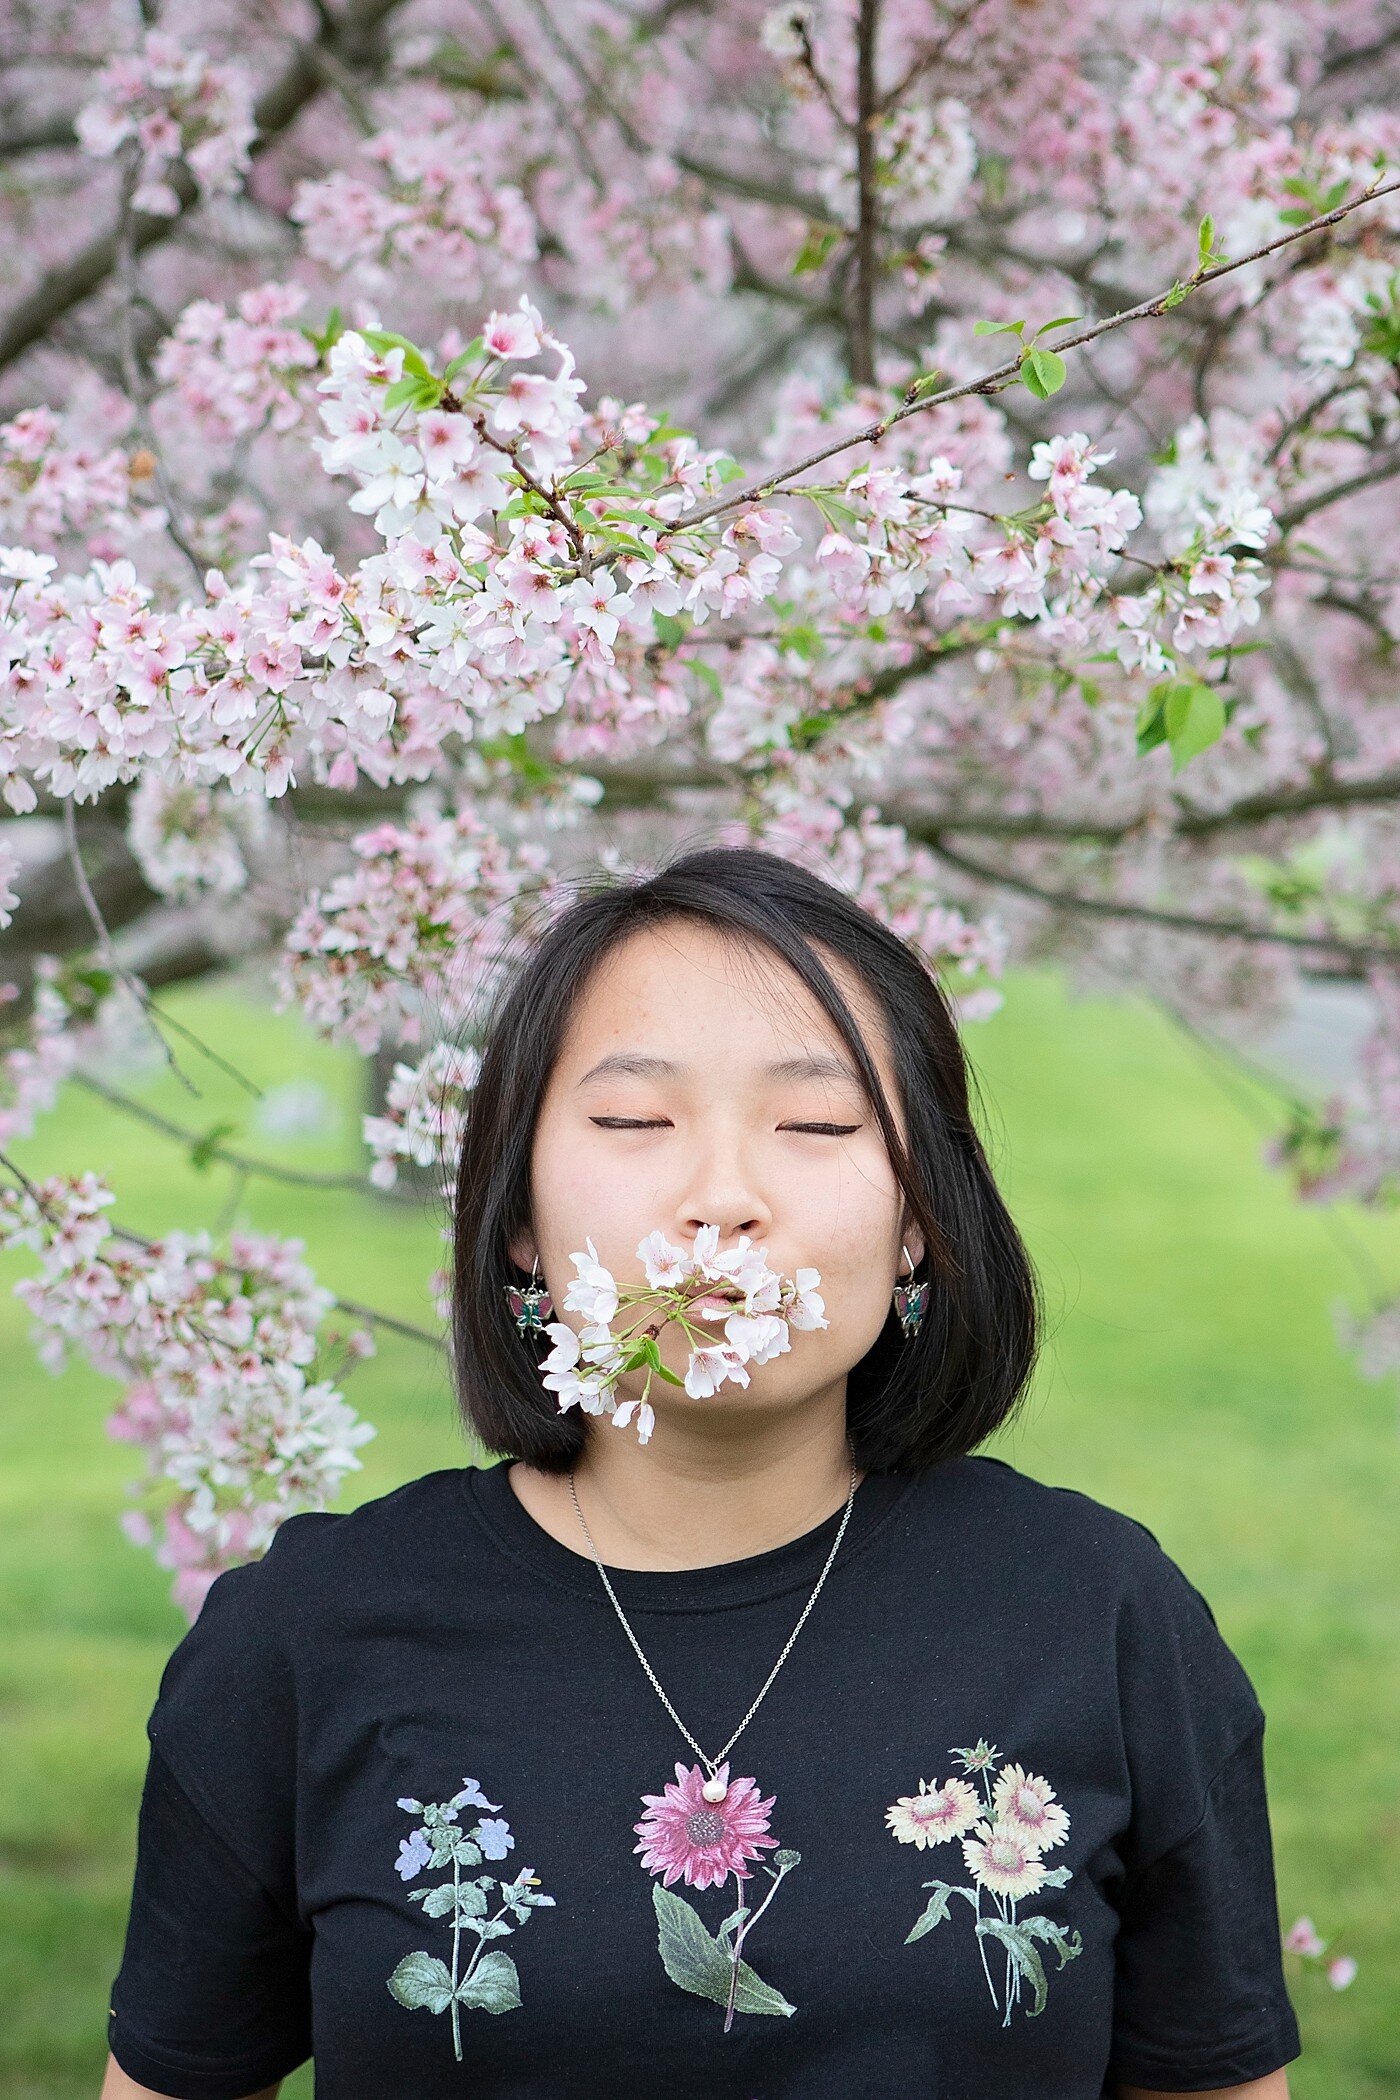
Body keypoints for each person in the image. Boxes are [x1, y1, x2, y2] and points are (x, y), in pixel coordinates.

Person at [101, 843, 1302, 2100]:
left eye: (817, 1124)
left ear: (914, 1226)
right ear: (517, 1221)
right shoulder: (303, 1636)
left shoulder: (1095, 1616)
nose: (720, 1199)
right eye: (632, 1121)